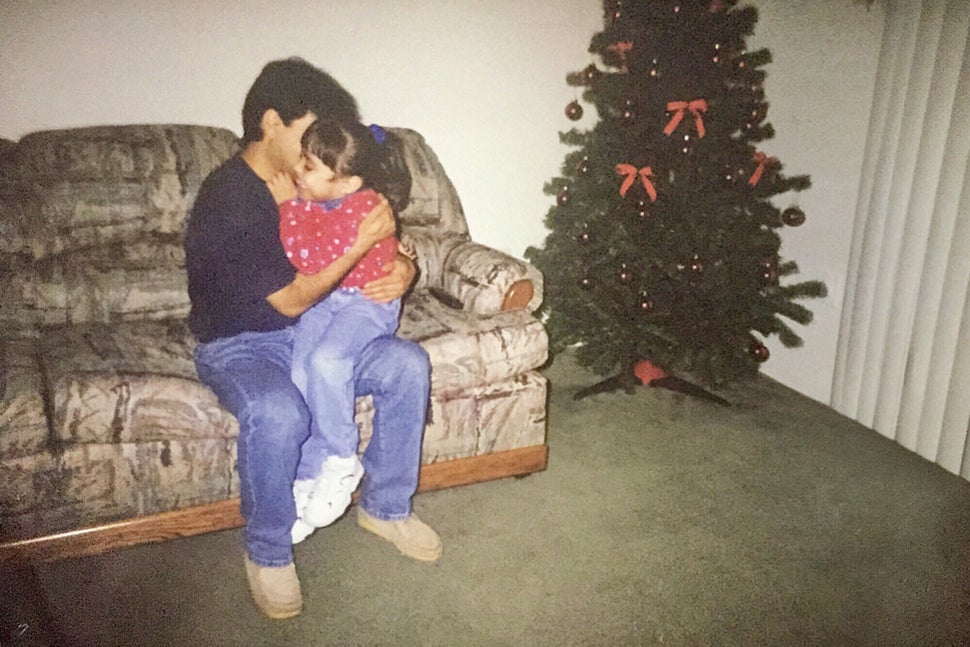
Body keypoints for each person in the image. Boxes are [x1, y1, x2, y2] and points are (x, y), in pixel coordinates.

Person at [184, 58, 441, 621]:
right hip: (243, 343)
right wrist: (357, 250)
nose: (318, 149)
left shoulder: (312, 180)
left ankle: (386, 507)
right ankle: (268, 550)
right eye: (310, 133)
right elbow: (296, 297)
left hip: (320, 329)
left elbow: (365, 227)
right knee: (279, 413)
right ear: (272, 122)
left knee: (406, 365)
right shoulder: (232, 197)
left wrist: (402, 267)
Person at [276, 119, 414, 543]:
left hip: (366, 303)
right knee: (300, 371)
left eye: (310, 166)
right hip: (326, 299)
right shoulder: (321, 196)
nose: (298, 170)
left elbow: (311, 258)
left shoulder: (359, 206)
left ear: (347, 181)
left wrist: (287, 206)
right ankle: (306, 475)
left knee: (327, 360)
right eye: (302, 158)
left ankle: (340, 458)